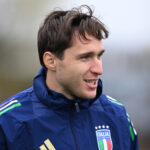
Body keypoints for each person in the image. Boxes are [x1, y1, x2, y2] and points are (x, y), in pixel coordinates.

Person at [0, 5, 138, 150]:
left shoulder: (118, 117)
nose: (99, 69)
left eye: (99, 56)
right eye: (85, 57)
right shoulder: (8, 122)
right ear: (51, 61)